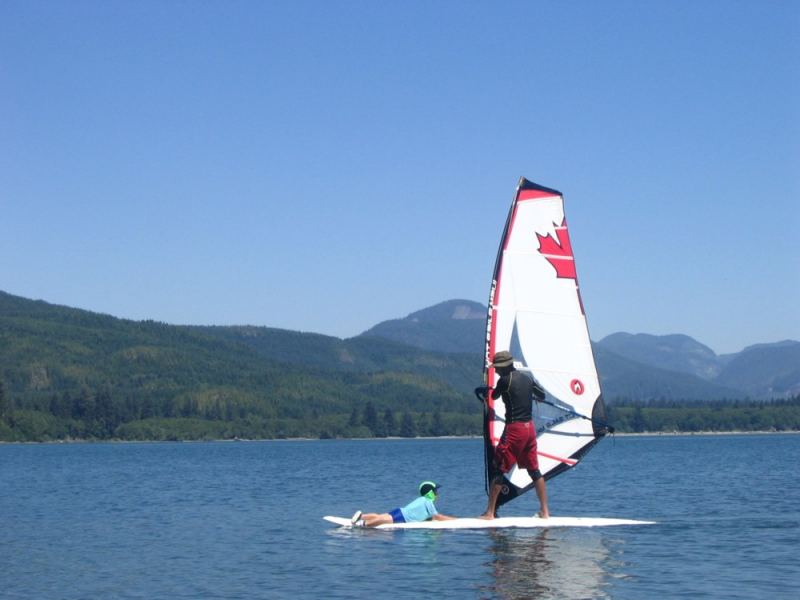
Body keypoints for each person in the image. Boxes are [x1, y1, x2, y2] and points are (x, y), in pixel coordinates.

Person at [476, 350, 550, 519]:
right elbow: (542, 395)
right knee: (534, 470)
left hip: (514, 429)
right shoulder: (528, 378)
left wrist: (486, 392)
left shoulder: (504, 380)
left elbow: (493, 396)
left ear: (504, 367)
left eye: (498, 368)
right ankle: (545, 511)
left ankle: (490, 513)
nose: (497, 371)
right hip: (529, 429)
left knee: (498, 468)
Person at [350, 481, 457, 527]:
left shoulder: (422, 500)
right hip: (402, 517)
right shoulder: (428, 501)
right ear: (430, 493)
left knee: (380, 516)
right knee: (382, 520)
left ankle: (362, 516)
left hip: (400, 512)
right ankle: (363, 524)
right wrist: (455, 520)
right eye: (435, 491)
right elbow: (437, 517)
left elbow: (429, 517)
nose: (437, 493)